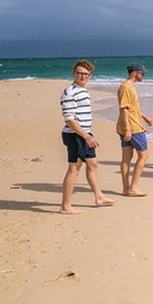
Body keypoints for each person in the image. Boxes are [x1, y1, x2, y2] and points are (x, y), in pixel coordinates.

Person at [59, 60, 115, 214]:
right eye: (79, 73)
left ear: (90, 75)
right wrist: (86, 136)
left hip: (84, 133)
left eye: (86, 74)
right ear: (74, 73)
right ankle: (65, 206)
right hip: (75, 134)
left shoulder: (82, 90)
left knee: (92, 164)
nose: (82, 76)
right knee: (74, 169)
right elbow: (69, 119)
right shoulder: (69, 92)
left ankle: (99, 197)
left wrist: (87, 135)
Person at [117, 62, 153, 196]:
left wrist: (144, 117)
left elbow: (132, 107)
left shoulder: (130, 86)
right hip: (132, 127)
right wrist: (128, 129)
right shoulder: (126, 87)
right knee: (143, 155)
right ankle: (132, 188)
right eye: (142, 73)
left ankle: (126, 188)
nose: (143, 75)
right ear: (134, 73)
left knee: (126, 158)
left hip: (127, 126)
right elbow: (124, 109)